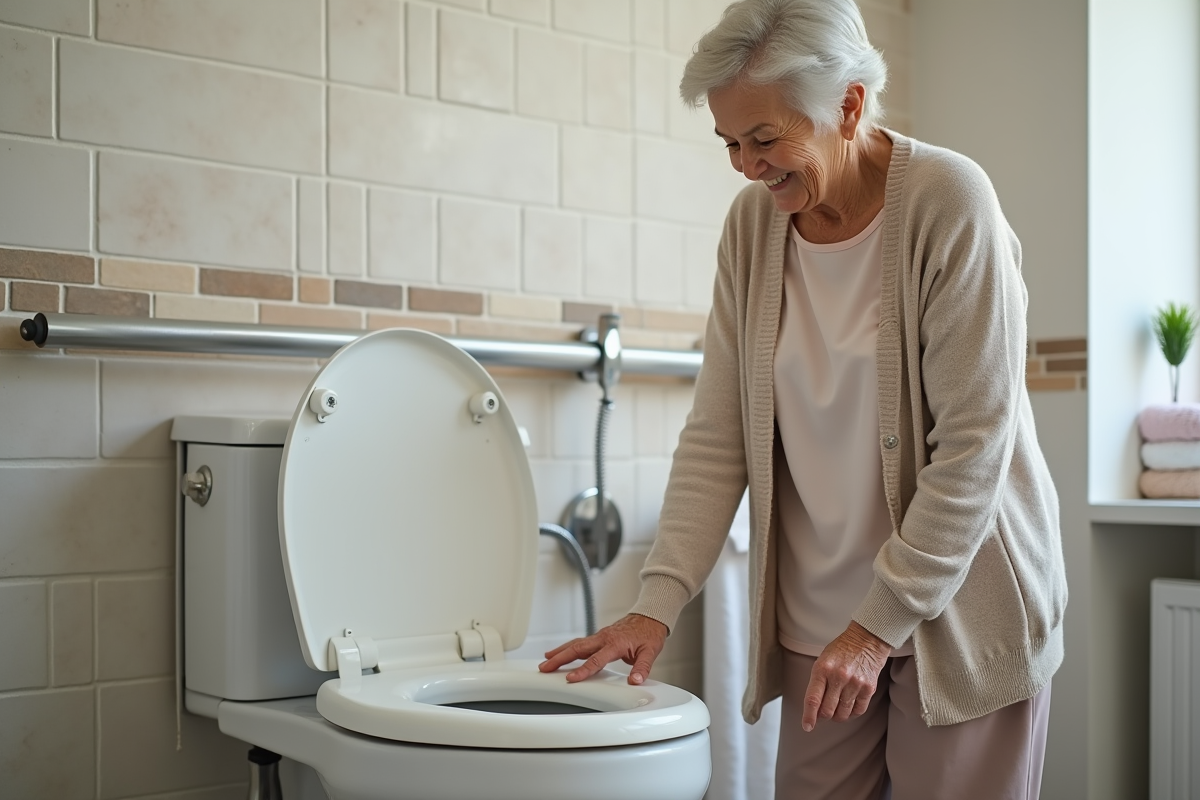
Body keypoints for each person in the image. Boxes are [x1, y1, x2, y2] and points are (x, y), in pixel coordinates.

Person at [540, 0, 1068, 797]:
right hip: (821, 620)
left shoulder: (950, 201)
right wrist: (657, 603)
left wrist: (877, 627)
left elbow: (974, 444)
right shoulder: (753, 229)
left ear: (848, 106)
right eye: (729, 143)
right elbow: (717, 434)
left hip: (958, 611)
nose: (746, 167)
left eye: (763, 139)